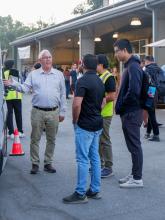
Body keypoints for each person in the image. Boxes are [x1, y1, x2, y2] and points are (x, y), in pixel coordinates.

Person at [3, 50, 66, 174]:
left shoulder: (59, 74)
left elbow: (63, 93)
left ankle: (48, 162)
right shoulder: (33, 74)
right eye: (45, 58)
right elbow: (25, 88)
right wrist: (14, 84)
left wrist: (63, 111)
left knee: (51, 139)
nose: (48, 59)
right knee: (35, 138)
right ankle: (35, 163)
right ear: (40, 60)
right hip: (37, 111)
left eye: (49, 57)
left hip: (54, 111)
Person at [63, 54, 105, 204]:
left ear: (83, 65)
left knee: (82, 158)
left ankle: (80, 193)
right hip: (97, 123)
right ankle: (94, 189)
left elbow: (76, 104)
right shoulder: (100, 80)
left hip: (85, 125)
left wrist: (75, 120)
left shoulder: (82, 81)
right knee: (94, 156)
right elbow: (104, 101)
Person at [114, 39, 143, 188]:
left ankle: (137, 178)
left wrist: (122, 105)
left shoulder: (133, 67)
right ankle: (134, 173)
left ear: (124, 50)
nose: (115, 54)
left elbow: (134, 92)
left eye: (116, 51)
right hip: (130, 112)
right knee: (132, 146)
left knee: (134, 145)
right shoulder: (131, 66)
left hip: (132, 112)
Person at [97, 54, 116, 178]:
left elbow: (112, 96)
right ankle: (99, 164)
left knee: (104, 140)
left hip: (105, 114)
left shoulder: (108, 77)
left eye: (96, 64)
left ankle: (108, 166)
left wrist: (99, 100)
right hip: (98, 114)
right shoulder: (99, 76)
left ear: (101, 65)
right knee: (98, 140)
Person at [3, 60, 25, 139]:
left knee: (9, 114)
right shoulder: (17, 72)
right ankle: (20, 131)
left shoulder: (4, 72)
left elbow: (3, 84)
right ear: (12, 65)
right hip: (17, 95)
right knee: (18, 114)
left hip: (7, 96)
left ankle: (11, 132)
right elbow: (21, 83)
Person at [144, 56, 160, 141]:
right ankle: (148, 132)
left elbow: (146, 82)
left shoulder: (148, 69)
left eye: (145, 61)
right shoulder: (158, 68)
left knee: (151, 113)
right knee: (151, 112)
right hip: (156, 92)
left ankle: (156, 134)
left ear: (147, 61)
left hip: (150, 92)